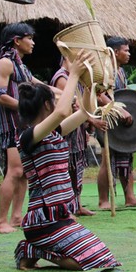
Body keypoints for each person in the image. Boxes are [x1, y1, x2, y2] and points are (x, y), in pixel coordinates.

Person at [14, 51, 120, 270]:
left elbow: (85, 112)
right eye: (53, 99)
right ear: (46, 105)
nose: (57, 102)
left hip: (62, 216)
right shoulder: (28, 137)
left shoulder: (55, 132)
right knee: (92, 261)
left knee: (104, 259)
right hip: (42, 221)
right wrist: (72, 75)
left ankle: (37, 249)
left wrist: (91, 87)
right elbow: (62, 112)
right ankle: (32, 249)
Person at [0, 23, 60, 234]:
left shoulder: (21, 65)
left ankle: (17, 216)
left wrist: (66, 94)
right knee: (15, 171)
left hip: (23, 123)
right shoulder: (5, 63)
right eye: (29, 38)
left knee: (25, 172)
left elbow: (40, 85)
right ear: (17, 40)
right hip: (10, 125)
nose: (33, 42)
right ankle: (1, 222)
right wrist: (24, 106)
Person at [97, 37, 136, 209]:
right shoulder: (104, 70)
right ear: (115, 52)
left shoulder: (121, 71)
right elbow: (98, 94)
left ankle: (130, 197)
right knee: (107, 159)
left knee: (127, 156)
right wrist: (118, 110)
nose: (129, 54)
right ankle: (103, 200)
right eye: (126, 50)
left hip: (122, 123)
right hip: (107, 119)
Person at [50, 57, 100, 216]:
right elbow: (76, 106)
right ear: (67, 59)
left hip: (77, 130)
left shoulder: (75, 78)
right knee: (66, 169)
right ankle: (66, 207)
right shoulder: (62, 78)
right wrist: (92, 120)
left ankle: (76, 205)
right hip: (65, 131)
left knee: (76, 169)